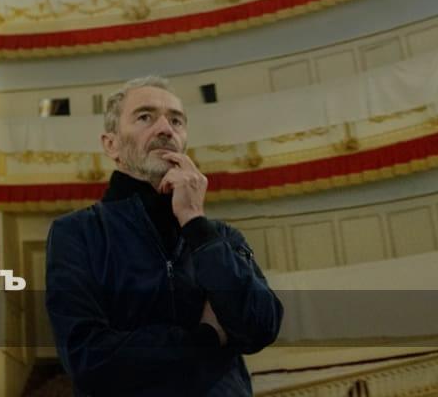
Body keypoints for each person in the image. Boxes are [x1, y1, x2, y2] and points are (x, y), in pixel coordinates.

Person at [44, 75, 284, 396]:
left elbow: (260, 328)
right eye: (145, 117)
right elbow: (88, 359)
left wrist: (195, 222)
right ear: (111, 144)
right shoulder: (77, 233)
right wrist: (207, 337)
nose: (165, 129)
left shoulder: (221, 237)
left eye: (176, 121)